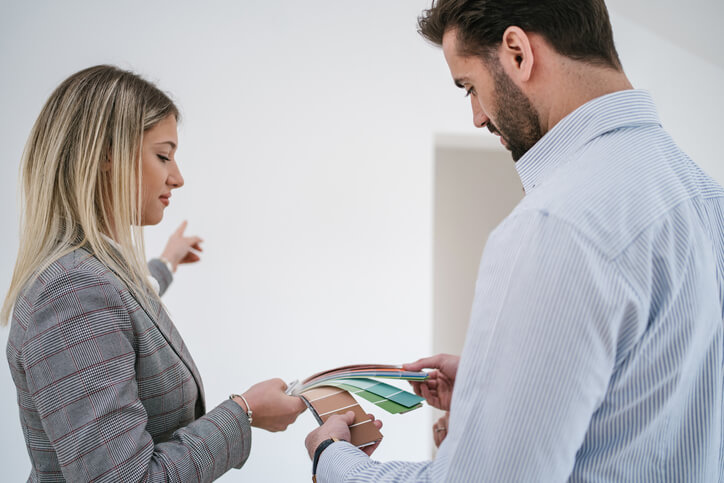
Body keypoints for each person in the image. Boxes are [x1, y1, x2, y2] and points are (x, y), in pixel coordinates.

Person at [304, 0, 724, 481]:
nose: (478, 118)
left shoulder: (554, 223)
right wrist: (506, 391)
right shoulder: (709, 200)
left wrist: (333, 459)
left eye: (470, 88)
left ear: (518, 52)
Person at [2, 65, 306, 482]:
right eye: (163, 155)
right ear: (108, 154)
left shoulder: (93, 274)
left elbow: (129, 303)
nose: (177, 177)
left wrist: (167, 262)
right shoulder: (72, 291)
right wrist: (244, 412)